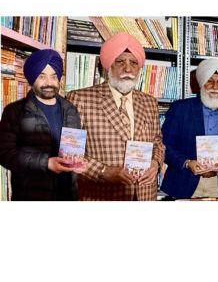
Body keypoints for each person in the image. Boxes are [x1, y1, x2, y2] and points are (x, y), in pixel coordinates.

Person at [66, 32, 165, 201]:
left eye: (133, 63)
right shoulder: (80, 99)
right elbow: (69, 155)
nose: (128, 69)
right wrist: (103, 171)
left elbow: (158, 143)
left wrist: (155, 164)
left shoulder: (149, 102)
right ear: (108, 65)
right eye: (120, 62)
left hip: (145, 195)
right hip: (103, 195)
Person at [0, 49, 84, 200]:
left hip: (68, 196)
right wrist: (46, 163)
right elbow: (4, 154)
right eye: (42, 76)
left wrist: (80, 162)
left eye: (54, 76)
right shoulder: (14, 111)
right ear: (32, 79)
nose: (49, 83)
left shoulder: (70, 109)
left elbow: (76, 147)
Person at [161, 59, 218, 199]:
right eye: (209, 81)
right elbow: (164, 146)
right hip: (183, 182)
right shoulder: (180, 109)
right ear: (201, 82)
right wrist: (187, 163)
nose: (215, 87)